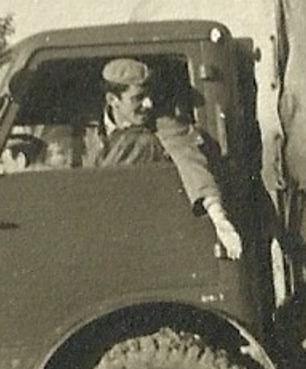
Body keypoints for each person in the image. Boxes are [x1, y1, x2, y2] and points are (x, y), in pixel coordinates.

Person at [94, 57, 243, 259]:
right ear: (113, 100)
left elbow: (187, 156)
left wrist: (218, 216)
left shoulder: (160, 124)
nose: (148, 104)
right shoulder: (86, 133)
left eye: (149, 95)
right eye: (137, 98)